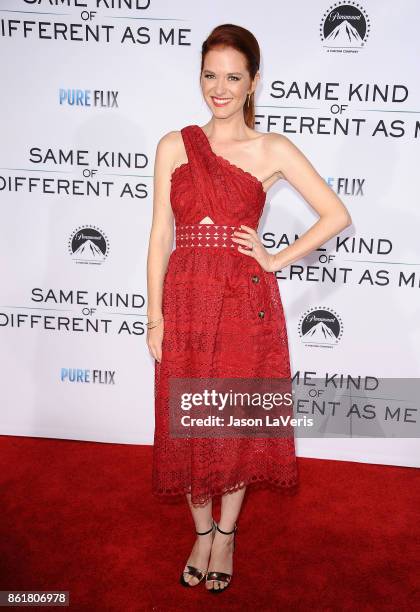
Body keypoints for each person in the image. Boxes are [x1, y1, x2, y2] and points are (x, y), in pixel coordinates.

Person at [146, 23, 351, 594]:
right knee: (188, 423)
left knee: (235, 422)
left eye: (234, 77)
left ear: (254, 82)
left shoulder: (272, 148)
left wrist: (276, 257)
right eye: (211, 75)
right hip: (184, 298)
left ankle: (226, 535)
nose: (220, 88)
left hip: (243, 299)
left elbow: (335, 215)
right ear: (200, 77)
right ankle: (201, 529)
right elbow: (160, 234)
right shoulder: (173, 144)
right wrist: (154, 314)